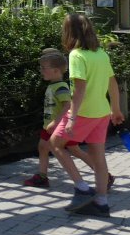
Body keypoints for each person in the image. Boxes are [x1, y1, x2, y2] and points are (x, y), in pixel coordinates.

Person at [48, 13, 123, 216]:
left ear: (68, 33)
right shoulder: (100, 53)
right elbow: (113, 83)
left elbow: (79, 89)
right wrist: (115, 110)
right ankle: (101, 202)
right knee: (99, 158)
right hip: (101, 112)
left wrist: (72, 117)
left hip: (83, 113)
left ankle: (81, 188)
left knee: (55, 144)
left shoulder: (76, 55)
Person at [23, 48, 72, 188]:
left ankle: (103, 175)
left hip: (57, 126)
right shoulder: (53, 85)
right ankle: (42, 176)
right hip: (49, 125)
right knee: (42, 148)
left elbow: (67, 105)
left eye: (44, 68)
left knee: (74, 151)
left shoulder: (61, 87)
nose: (41, 71)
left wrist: (56, 123)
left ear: (56, 70)